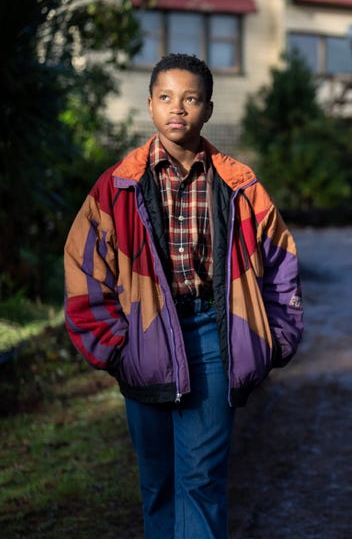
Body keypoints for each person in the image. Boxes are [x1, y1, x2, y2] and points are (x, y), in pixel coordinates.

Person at [63, 53, 303, 538]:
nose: (178, 108)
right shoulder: (117, 186)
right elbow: (84, 266)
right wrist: (114, 346)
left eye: (191, 99)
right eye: (166, 97)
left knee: (202, 480)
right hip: (143, 337)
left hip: (212, 335)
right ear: (150, 105)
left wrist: (272, 338)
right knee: (158, 484)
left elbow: (280, 261)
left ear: (208, 109)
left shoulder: (239, 185)